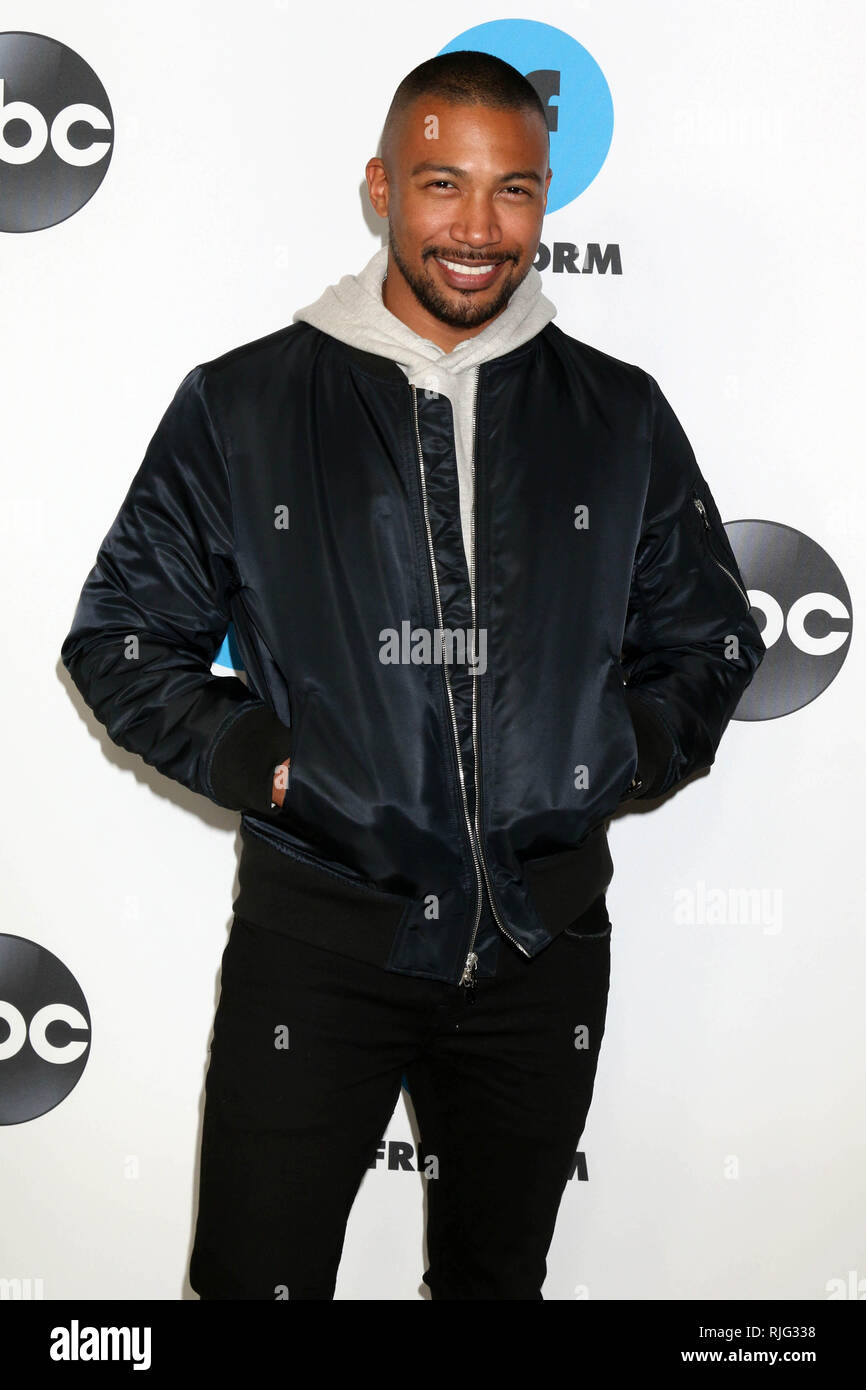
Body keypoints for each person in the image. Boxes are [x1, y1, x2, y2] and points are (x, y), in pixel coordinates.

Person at [59, 50, 766, 1300]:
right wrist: (265, 762)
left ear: (544, 202)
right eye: (443, 183)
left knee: (496, 1287)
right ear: (382, 186)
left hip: (543, 945)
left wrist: (622, 747)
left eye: (514, 191)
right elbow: (120, 639)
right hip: (319, 942)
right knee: (252, 1284)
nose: (478, 229)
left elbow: (709, 636)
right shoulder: (244, 405)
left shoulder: (616, 414)